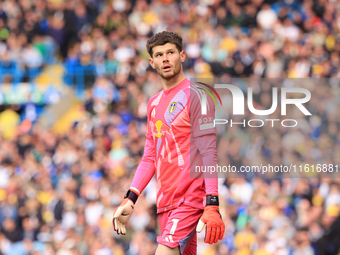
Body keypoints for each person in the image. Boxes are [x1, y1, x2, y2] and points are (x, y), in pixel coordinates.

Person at [112, 31, 225, 255]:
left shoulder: (196, 95)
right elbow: (149, 157)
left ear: (182, 55)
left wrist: (212, 201)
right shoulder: (153, 103)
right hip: (165, 203)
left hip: (190, 198)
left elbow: (209, 151)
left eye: (170, 52)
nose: (165, 58)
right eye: (159, 54)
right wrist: (130, 198)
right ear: (151, 62)